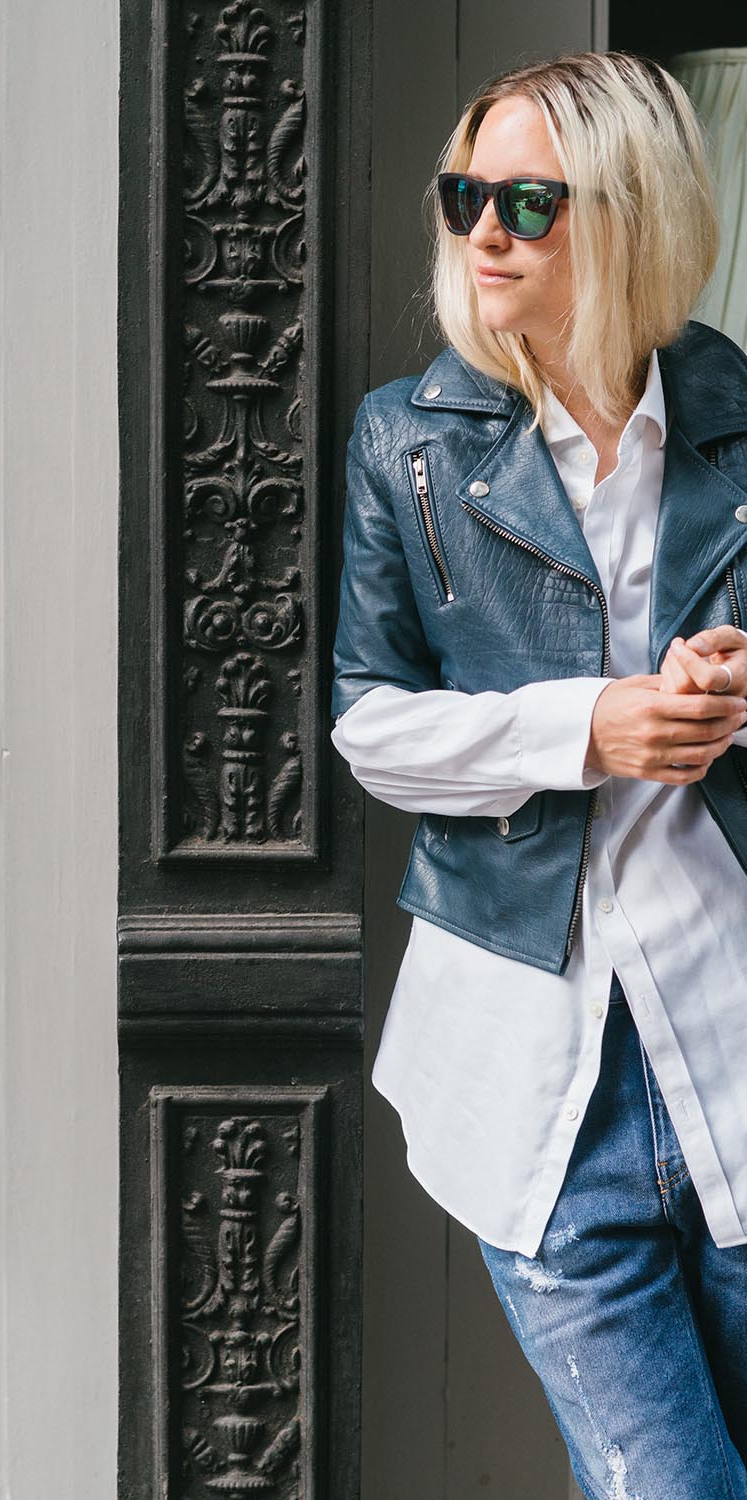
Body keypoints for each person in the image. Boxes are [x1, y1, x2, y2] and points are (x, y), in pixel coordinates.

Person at [331, 50, 747, 1499]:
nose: (482, 233)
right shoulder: (412, 443)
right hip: (539, 1074)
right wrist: (589, 727)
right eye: (465, 196)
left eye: (527, 201)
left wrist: (726, 698)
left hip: (736, 1042)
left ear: (631, 215)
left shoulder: (739, 424)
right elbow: (370, 726)